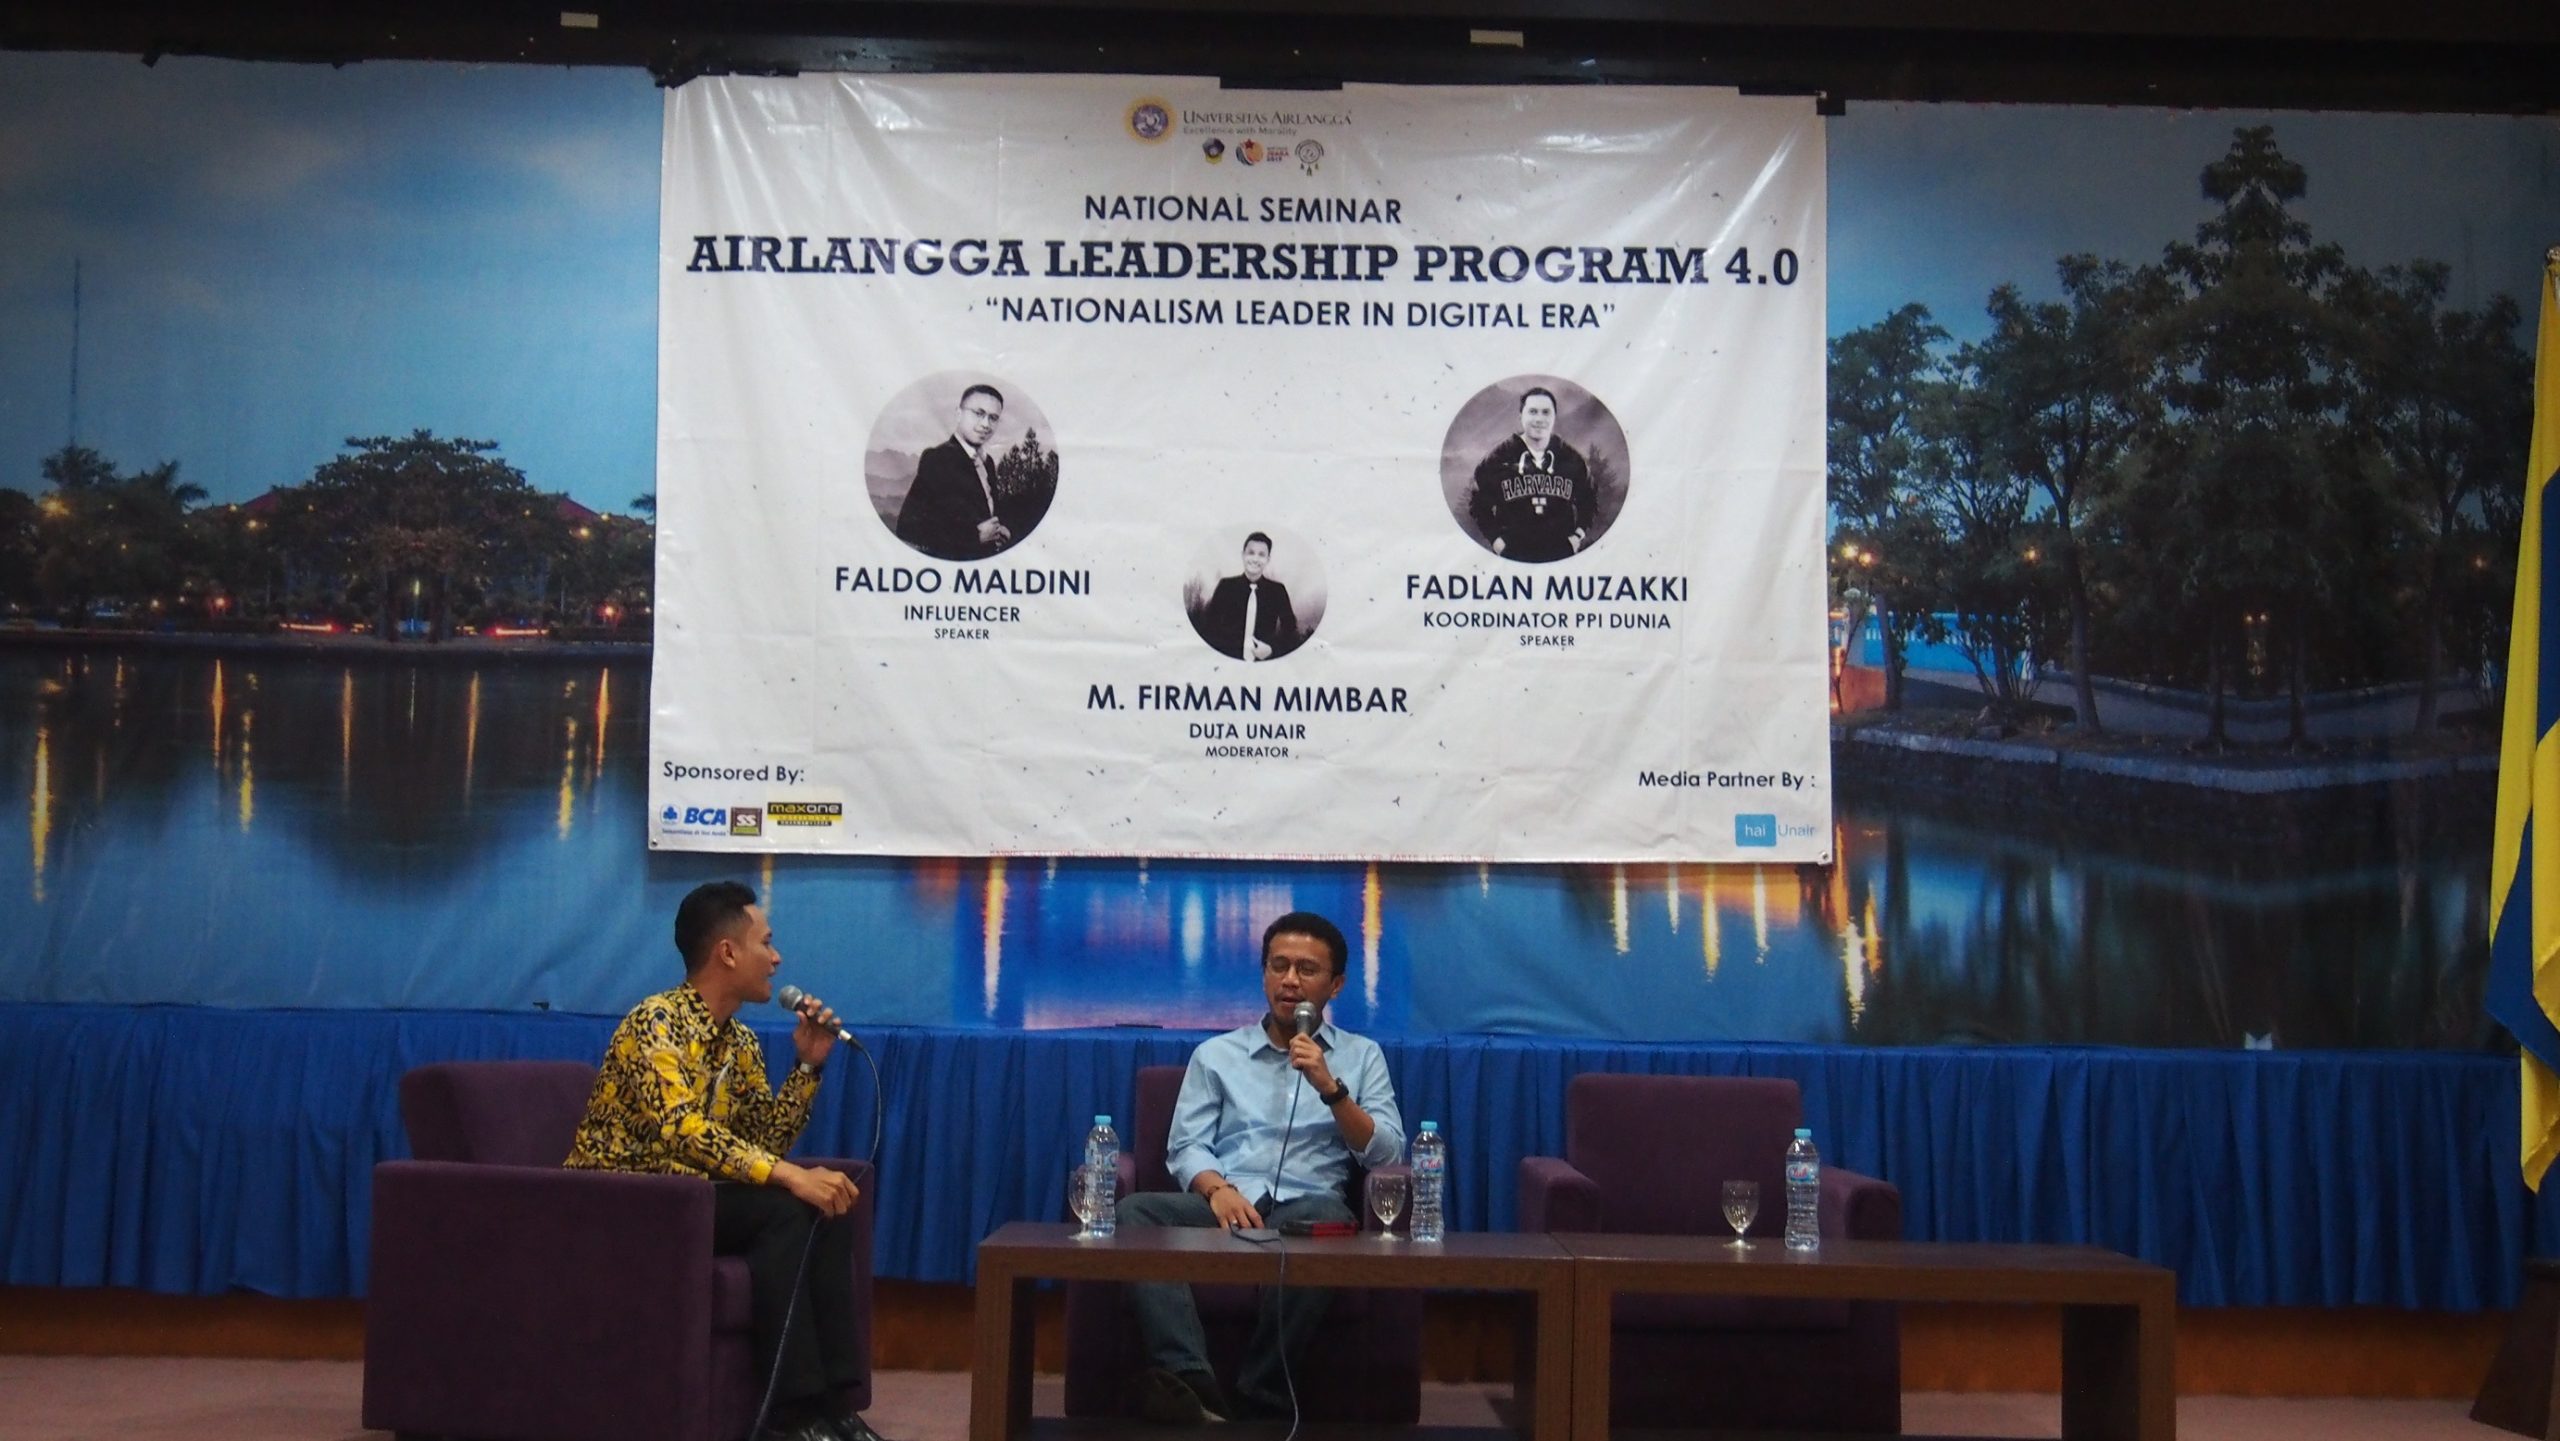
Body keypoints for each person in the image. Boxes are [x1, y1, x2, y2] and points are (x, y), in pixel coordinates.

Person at [564, 881, 886, 1441]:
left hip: (693, 1198)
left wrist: (807, 1067)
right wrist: (789, 1178)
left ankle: (834, 1405)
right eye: (767, 942)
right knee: (786, 1207)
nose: (777, 958)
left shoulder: (739, 1041)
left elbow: (763, 1142)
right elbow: (681, 1127)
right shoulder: (655, 1022)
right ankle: (792, 1415)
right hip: (623, 1200)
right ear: (728, 953)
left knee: (825, 1206)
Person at [1116, 911, 1405, 1424]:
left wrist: (1331, 1089)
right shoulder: (1217, 1055)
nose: (1290, 980)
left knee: (1327, 1218)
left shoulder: (1363, 1056)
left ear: (1336, 984)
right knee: (1136, 1212)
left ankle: (1262, 1391)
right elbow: (1187, 1145)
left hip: (1309, 1213)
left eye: (1307, 969)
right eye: (1279, 966)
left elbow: (1386, 1155)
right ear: (1264, 974)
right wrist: (1217, 1190)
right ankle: (1192, 1382)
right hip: (1227, 1208)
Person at [1467, 386, 1596, 562]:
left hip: (1561, 553)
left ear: (1554, 417)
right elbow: (1478, 504)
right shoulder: (1498, 458)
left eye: (1546, 412)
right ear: (1521, 416)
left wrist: (1577, 536)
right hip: (1513, 554)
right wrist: (1496, 540)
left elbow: (1588, 500)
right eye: (1533, 412)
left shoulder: (1571, 458)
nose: (1539, 419)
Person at [895, 384, 1014, 560]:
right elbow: (908, 528)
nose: (985, 424)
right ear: (959, 414)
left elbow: (982, 514)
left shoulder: (987, 462)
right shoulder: (938, 459)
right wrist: (975, 536)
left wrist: (999, 530)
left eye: (993, 418)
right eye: (979, 413)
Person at [1190, 531, 1303, 661]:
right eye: (1251, 553)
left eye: (1261, 555)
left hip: (1266, 664)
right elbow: (1209, 628)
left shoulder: (1278, 591)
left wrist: (1272, 649)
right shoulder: (1226, 586)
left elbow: (1290, 630)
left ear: (1268, 559)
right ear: (1243, 555)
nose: (1255, 559)